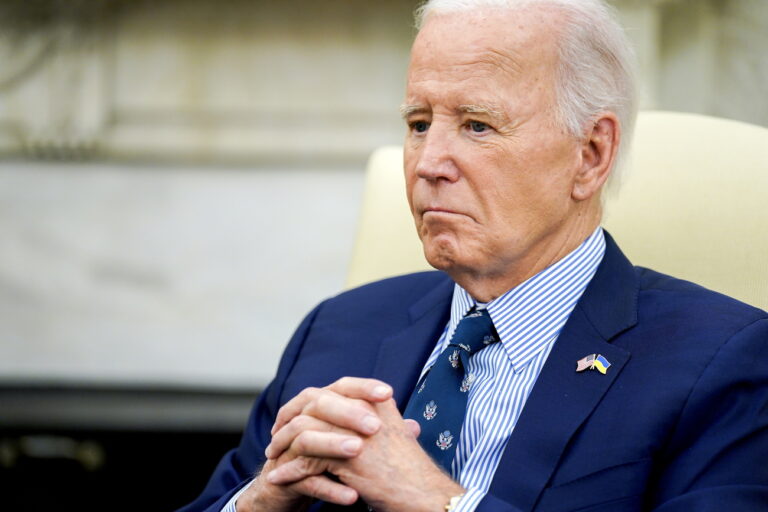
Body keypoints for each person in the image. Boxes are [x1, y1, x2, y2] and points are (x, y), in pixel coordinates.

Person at [180, 0, 768, 511]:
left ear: (590, 154)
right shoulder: (336, 329)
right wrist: (262, 500)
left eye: (478, 126)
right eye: (417, 123)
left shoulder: (722, 364)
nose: (429, 162)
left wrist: (436, 501)